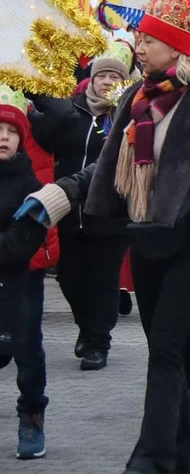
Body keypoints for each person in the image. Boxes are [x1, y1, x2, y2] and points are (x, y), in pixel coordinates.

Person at [19, 0, 190, 474]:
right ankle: (181, 452)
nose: (138, 47)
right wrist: (55, 196)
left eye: (148, 39)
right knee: (173, 350)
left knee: (164, 347)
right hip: (145, 240)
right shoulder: (136, 100)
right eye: (140, 39)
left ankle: (153, 457)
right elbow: (102, 166)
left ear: (177, 47)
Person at [26, 39, 134, 371]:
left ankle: (98, 340)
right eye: (102, 76)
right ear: (92, 78)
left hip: (110, 212)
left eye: (115, 77)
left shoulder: (125, 117)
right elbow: (43, 135)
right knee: (70, 278)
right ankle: (87, 328)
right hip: (67, 209)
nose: (107, 82)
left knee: (102, 278)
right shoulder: (72, 111)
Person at [0, 86, 49, 459]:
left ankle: (31, 415)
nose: (4, 137)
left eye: (12, 131)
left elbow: (23, 243)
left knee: (27, 351)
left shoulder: (32, 188)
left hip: (21, 283)